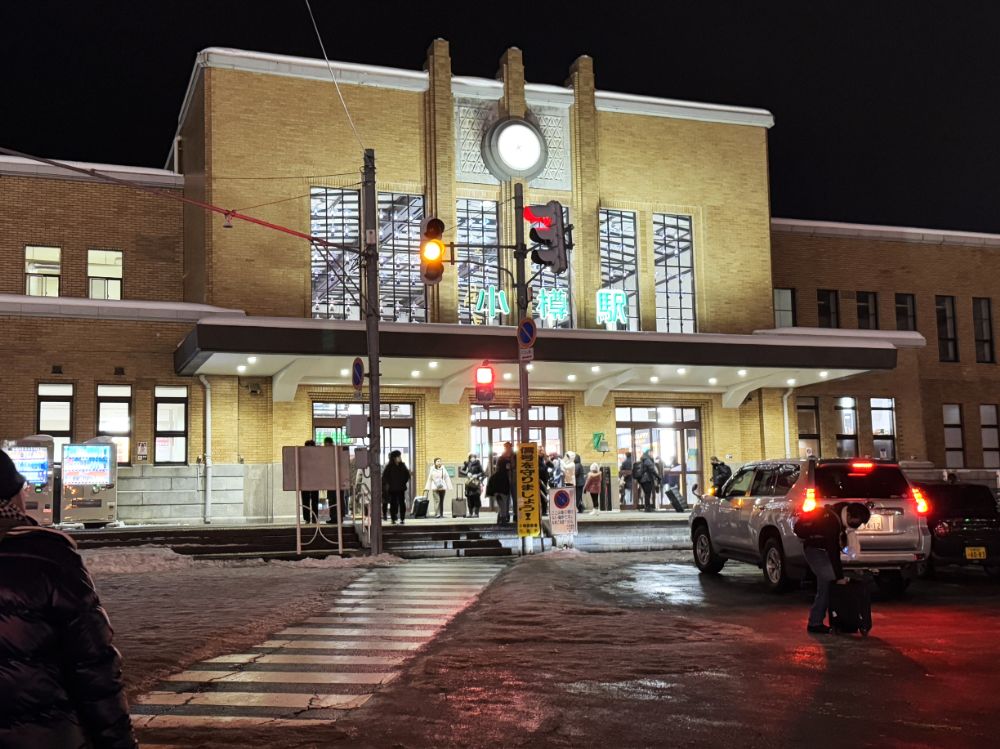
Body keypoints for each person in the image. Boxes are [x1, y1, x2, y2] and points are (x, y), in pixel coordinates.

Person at [0, 449, 138, 749]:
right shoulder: (48, 558)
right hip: (42, 736)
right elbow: (92, 666)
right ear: (11, 497)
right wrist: (117, 741)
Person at [794, 501, 871, 633]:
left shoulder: (841, 512)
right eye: (857, 522)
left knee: (830, 582)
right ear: (849, 515)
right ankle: (815, 623)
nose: (857, 526)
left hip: (822, 550)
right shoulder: (831, 522)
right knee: (828, 582)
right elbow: (833, 551)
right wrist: (839, 577)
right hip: (815, 550)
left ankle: (837, 621)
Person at [488, 443, 515, 526]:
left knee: (502, 503)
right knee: (504, 503)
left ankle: (501, 519)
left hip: (499, 486)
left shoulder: (501, 460)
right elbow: (510, 467)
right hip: (503, 486)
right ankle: (503, 519)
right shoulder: (505, 460)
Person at [382, 450, 410, 525]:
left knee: (402, 503)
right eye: (398, 456)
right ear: (394, 458)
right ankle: (393, 518)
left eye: (400, 456)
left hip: (401, 488)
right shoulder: (389, 466)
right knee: (393, 503)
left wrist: (403, 482)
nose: (400, 458)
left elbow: (407, 475)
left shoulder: (403, 465)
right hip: (392, 489)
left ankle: (402, 518)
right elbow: (385, 477)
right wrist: (389, 484)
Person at [301, 439, 321, 523]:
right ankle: (309, 518)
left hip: (311, 481)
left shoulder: (304, 457)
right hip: (306, 481)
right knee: (309, 501)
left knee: (312, 501)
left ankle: (312, 518)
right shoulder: (302, 457)